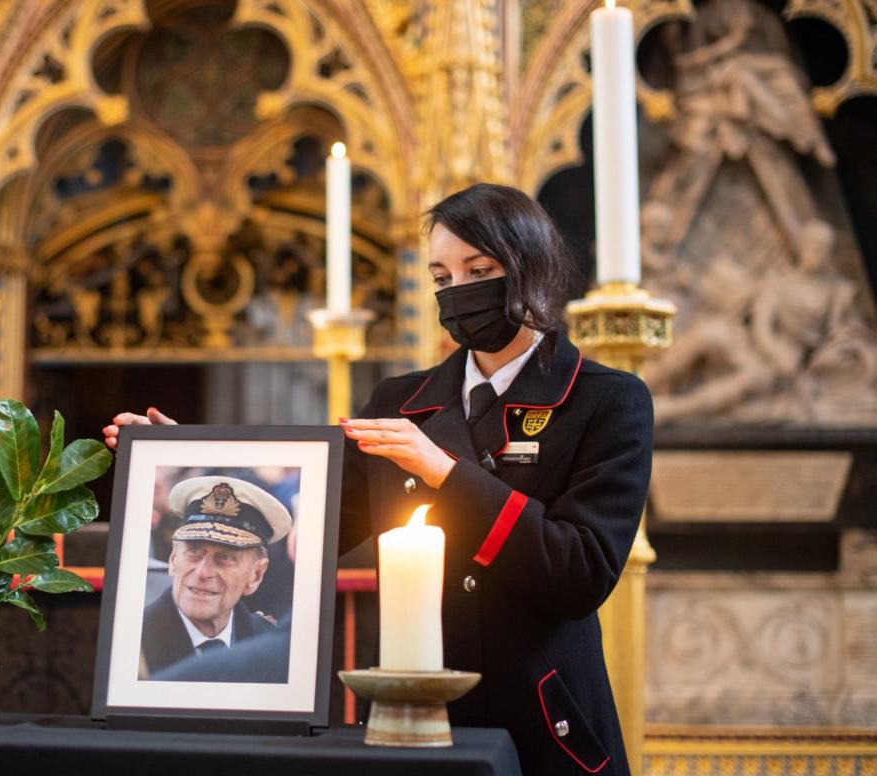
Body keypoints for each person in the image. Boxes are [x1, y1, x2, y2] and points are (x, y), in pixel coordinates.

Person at [105, 183, 653, 775]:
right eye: (442, 278)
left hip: (546, 720)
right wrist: (181, 452)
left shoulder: (606, 400)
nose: (458, 292)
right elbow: (303, 515)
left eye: (479, 270)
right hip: (410, 713)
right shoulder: (399, 402)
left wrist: (445, 473)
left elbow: (582, 571)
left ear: (530, 269)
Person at [140, 476, 292, 683]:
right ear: (173, 559)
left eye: (225, 558)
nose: (203, 572)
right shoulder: (132, 638)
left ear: (255, 575)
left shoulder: (269, 643)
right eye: (193, 552)